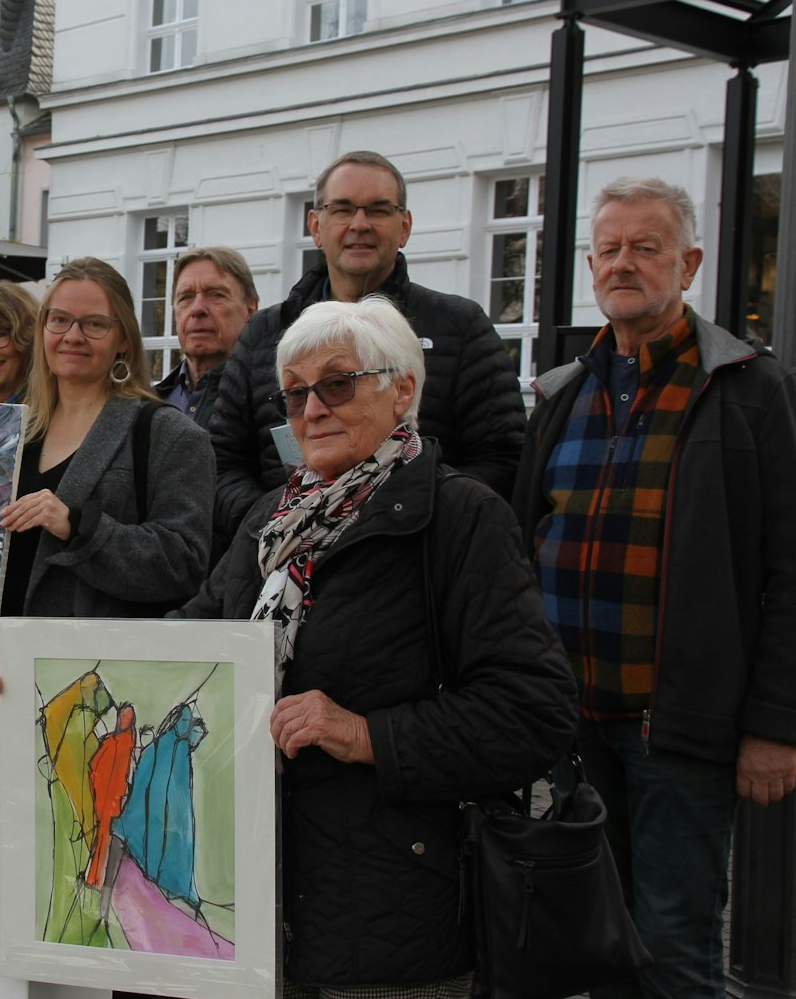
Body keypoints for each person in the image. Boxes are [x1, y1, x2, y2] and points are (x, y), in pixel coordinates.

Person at [178, 296, 576, 995]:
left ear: (404, 391)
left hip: (392, 913)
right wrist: (44, 651)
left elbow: (533, 711)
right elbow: (200, 632)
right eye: (295, 393)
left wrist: (363, 733)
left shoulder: (458, 518)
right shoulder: (276, 520)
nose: (312, 409)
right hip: (255, 900)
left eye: (337, 383)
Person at [512, 177, 796, 999]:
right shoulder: (562, 394)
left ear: (688, 262)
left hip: (682, 730)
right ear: (590, 265)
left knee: (671, 948)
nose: (625, 263)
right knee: (599, 936)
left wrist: (778, 724)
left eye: (646, 247)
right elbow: (525, 546)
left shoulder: (753, 390)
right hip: (577, 724)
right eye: (611, 248)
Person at [0, 259, 213, 699]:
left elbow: (186, 564)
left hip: (95, 687)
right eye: (59, 320)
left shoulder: (167, 433)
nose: (73, 335)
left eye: (94, 324)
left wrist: (78, 526)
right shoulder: (9, 433)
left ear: (122, 338)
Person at [207, 150, 524, 553]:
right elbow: (224, 461)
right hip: (280, 557)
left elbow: (502, 459)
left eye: (378, 210)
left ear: (404, 226)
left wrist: (409, 519)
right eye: (342, 210)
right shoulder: (262, 334)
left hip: (412, 559)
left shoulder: (459, 327)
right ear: (316, 226)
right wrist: (282, 520)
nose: (359, 225)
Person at [151, 246, 258, 426]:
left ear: (250, 309)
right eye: (186, 297)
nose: (197, 309)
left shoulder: (273, 399)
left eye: (216, 295)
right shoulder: (149, 405)